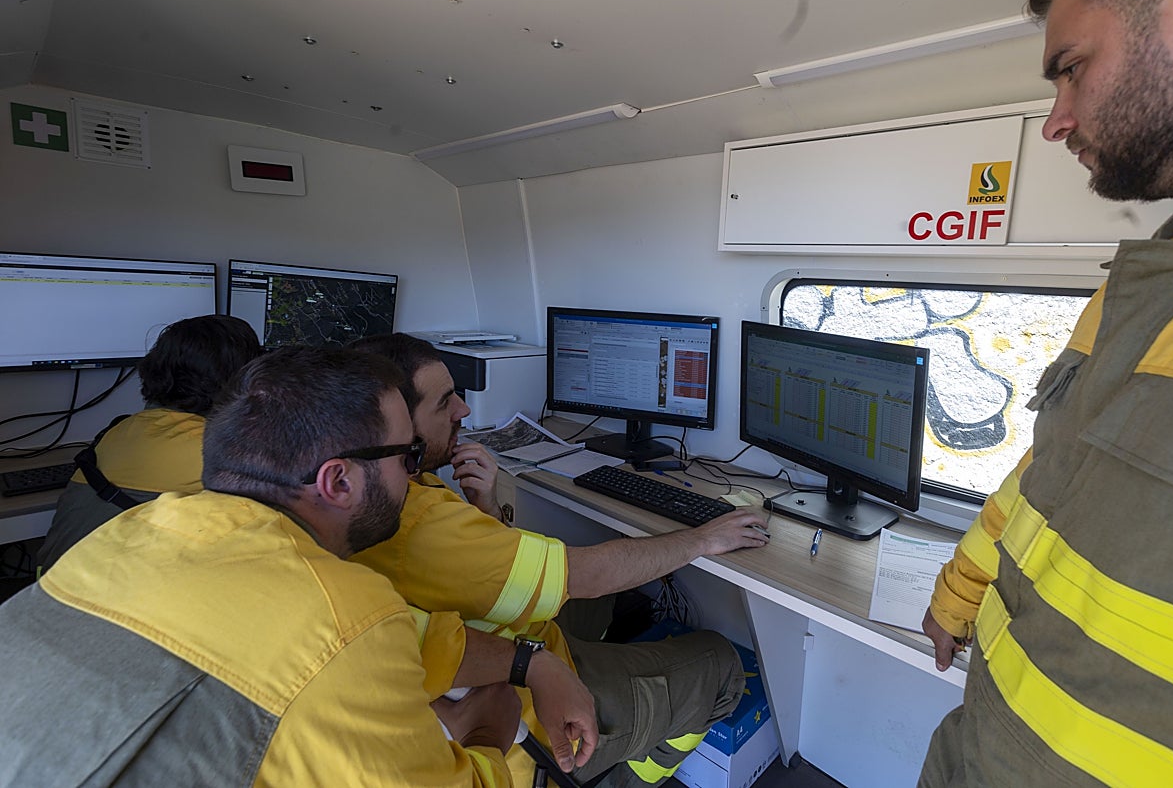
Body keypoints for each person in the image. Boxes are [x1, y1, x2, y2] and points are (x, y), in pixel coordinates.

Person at [919, 0, 1173, 785]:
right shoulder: (1140, 287)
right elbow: (1054, 467)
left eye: (1072, 67)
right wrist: (960, 590)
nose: (1055, 120)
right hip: (980, 742)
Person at [0, 348, 521, 786]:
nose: (413, 477)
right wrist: (485, 734)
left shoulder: (123, 535)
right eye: (408, 456)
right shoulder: (349, 614)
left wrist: (525, 661)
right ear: (338, 481)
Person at [350, 332, 768, 787]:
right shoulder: (425, 524)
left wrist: (486, 507)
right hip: (528, 706)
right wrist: (702, 538)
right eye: (445, 402)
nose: (464, 411)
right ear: (398, 425)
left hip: (504, 647)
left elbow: (480, 568)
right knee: (722, 663)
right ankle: (628, 773)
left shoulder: (374, 501)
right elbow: (586, 575)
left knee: (613, 595)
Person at [37, 313, 263, 571]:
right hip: (107, 605)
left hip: (50, 586)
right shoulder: (213, 450)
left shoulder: (118, 431)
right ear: (242, 378)